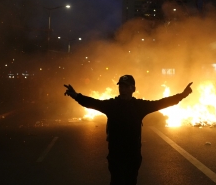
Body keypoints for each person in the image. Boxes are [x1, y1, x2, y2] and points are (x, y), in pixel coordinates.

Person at [63, 75, 193, 185]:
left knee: (131, 181)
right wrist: (76, 96)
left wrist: (182, 95)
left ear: (133, 89)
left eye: (126, 86)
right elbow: (92, 103)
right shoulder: (112, 105)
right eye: (121, 86)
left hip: (133, 155)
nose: (122, 89)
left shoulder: (139, 106)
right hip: (116, 154)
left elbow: (161, 103)